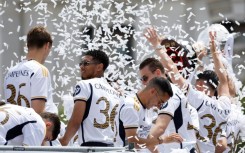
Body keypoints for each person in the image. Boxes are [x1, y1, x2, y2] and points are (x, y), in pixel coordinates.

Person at [144, 27, 231, 152]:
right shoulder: (226, 105)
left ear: (202, 85)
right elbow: (223, 79)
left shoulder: (199, 101)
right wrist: (214, 53)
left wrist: (157, 45)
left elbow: (174, 72)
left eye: (198, 84)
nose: (196, 85)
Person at [59, 50, 121, 147]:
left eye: (86, 63)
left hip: (90, 146)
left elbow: (76, 121)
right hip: (111, 147)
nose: (81, 67)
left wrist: (64, 141)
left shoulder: (84, 85)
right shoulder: (115, 93)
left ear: (99, 67)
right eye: (81, 63)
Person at [138, 57, 198, 153]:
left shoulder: (171, 93)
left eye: (145, 78)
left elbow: (160, 127)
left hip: (179, 150)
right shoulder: (156, 94)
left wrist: (140, 145)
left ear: (157, 73)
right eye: (141, 79)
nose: (143, 83)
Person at [118, 76, 183, 152]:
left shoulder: (148, 108)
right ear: (153, 92)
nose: (159, 107)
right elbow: (132, 144)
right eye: (160, 102)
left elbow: (146, 139)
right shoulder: (130, 106)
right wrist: (162, 140)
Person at [3, 26, 57, 114]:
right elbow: (38, 113)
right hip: (32, 126)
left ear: (28, 45)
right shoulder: (40, 70)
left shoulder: (10, 72)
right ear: (47, 45)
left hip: (14, 125)